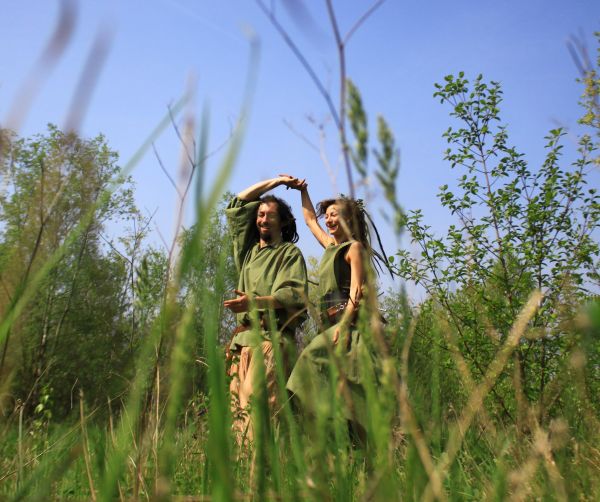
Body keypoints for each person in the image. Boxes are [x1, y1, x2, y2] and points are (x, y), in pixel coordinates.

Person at [284, 175, 391, 436]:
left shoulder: (354, 248)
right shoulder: (331, 245)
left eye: (336, 215)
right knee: (337, 385)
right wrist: (303, 191)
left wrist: (344, 327)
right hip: (331, 325)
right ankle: (333, 434)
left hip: (350, 325)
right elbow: (310, 220)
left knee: (311, 361)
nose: (329, 220)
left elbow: (356, 290)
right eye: (328, 216)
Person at [224, 176, 308, 443]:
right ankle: (243, 476)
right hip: (243, 342)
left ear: (282, 222)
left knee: (256, 406)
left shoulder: (289, 253)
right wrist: (277, 181)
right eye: (260, 214)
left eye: (270, 215)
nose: (262, 220)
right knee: (238, 411)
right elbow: (238, 203)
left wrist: (254, 303)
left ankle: (264, 473)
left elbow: (292, 295)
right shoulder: (248, 253)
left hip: (272, 340)